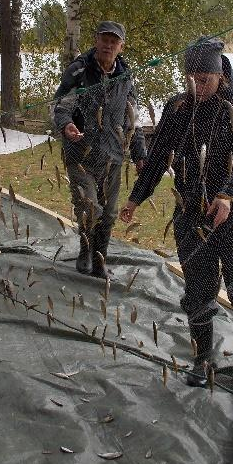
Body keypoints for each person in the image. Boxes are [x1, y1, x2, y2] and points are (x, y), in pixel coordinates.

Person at [118, 37, 233, 397]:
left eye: (204, 78)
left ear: (219, 74)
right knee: (198, 289)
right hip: (190, 213)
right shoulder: (177, 109)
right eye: (190, 78)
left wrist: (227, 195)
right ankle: (203, 357)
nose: (198, 85)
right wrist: (135, 198)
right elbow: (159, 156)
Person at [54, 21, 146, 279]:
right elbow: (61, 105)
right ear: (96, 40)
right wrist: (67, 125)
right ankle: (85, 251)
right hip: (80, 153)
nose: (108, 45)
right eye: (104, 39)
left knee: (109, 213)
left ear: (120, 46)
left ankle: (99, 261)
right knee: (88, 207)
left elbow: (132, 119)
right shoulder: (79, 71)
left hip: (113, 156)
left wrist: (140, 154)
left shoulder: (125, 77)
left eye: (113, 41)